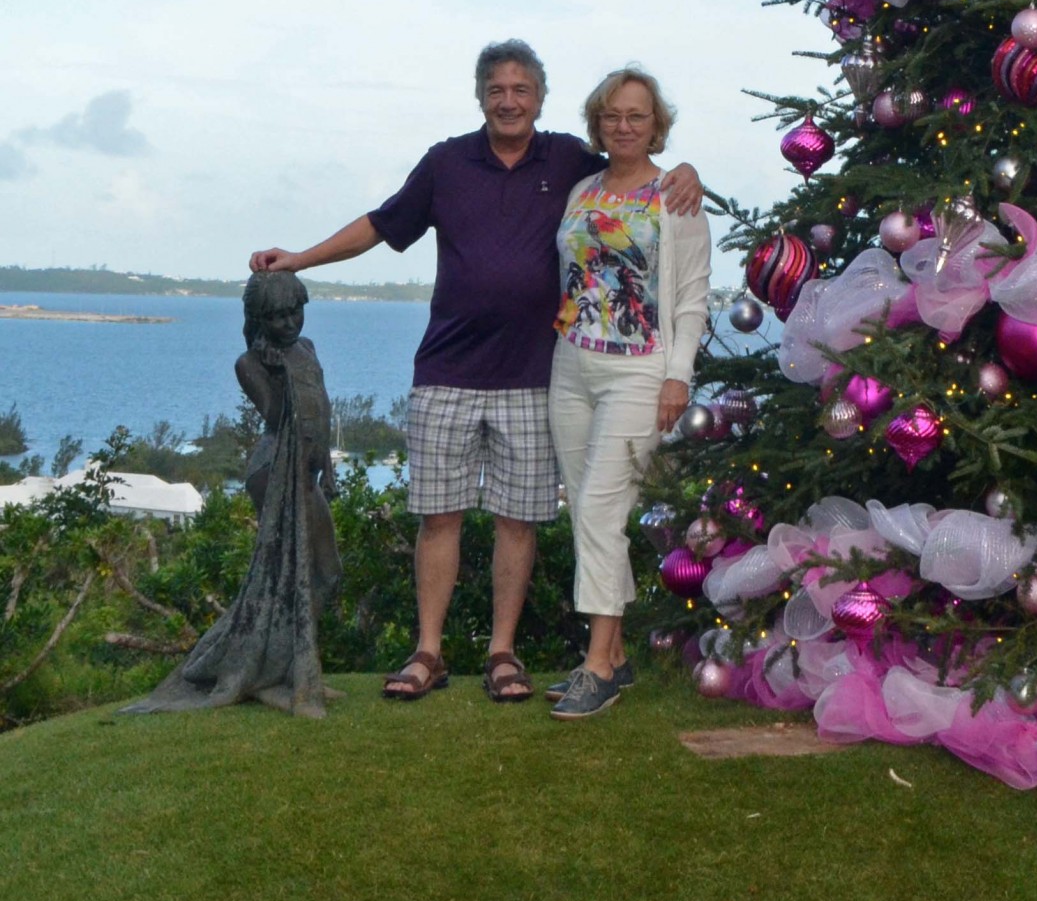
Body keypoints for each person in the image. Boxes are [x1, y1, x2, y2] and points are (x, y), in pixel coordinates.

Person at [249, 39, 702, 703]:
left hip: (535, 376)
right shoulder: (448, 163)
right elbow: (381, 224)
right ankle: (428, 652)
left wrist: (688, 167)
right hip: (448, 370)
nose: (509, 100)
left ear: (540, 99)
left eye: (521, 90)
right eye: (497, 89)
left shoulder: (571, 164)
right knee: (440, 517)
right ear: (482, 96)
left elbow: (644, 174)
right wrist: (299, 259)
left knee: (527, 521)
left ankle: (504, 654)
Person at [546, 64, 711, 719]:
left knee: (600, 513)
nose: (623, 125)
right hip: (572, 365)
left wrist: (679, 376)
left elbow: (694, 297)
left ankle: (596, 665)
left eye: (636, 115)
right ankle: (615, 658)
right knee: (585, 509)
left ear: (656, 125)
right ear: (598, 121)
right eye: (613, 115)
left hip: (640, 372)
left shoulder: (676, 199)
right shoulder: (583, 190)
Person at [127, 271, 340, 718]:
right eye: (276, 316)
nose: (287, 324)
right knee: (289, 574)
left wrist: (329, 470)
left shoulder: (308, 348)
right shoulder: (250, 363)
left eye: (294, 312)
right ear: (259, 319)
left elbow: (320, 411)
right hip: (273, 471)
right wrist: (276, 366)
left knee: (325, 572)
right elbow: (278, 414)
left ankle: (289, 668)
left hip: (306, 470)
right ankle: (279, 672)